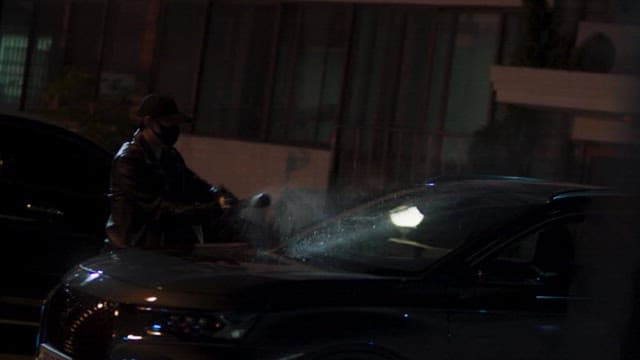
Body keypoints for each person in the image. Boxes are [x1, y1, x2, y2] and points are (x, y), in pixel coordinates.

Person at [104, 94, 236, 250]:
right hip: (131, 249)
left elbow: (193, 183)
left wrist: (217, 194)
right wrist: (208, 210)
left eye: (176, 124)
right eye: (168, 123)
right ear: (148, 121)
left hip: (162, 248)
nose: (173, 130)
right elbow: (157, 208)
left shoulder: (169, 155)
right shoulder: (129, 160)